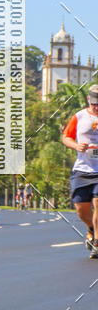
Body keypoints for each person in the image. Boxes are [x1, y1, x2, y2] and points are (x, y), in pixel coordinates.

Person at [62, 85, 98, 257]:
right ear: (88, 101)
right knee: (80, 207)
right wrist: (76, 145)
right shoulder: (79, 116)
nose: (96, 107)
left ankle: (97, 242)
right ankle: (91, 228)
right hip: (82, 170)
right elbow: (66, 137)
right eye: (94, 104)